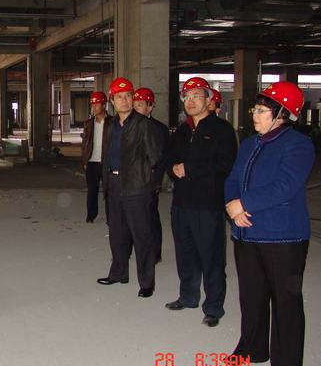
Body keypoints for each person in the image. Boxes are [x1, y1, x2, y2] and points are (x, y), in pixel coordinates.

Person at [225, 81, 313, 366]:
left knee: (286, 302)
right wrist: (232, 205)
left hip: (283, 237)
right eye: (255, 109)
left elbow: (285, 187)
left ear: (282, 115)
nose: (255, 115)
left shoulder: (298, 145)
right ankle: (253, 347)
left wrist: (244, 204)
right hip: (246, 232)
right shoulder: (250, 143)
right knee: (251, 295)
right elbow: (233, 178)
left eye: (262, 111)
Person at [165, 76, 237, 327]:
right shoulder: (182, 130)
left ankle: (214, 307)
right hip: (181, 203)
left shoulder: (222, 130)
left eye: (197, 96)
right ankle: (188, 296)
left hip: (208, 205)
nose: (191, 101)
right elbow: (169, 156)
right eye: (187, 96)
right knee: (185, 253)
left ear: (208, 100)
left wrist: (190, 168)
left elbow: (225, 163)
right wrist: (173, 168)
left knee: (212, 257)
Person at [97, 77, 161, 298]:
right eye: (119, 97)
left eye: (127, 96)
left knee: (141, 235)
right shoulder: (111, 125)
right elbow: (107, 154)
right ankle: (118, 273)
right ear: (112, 101)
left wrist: (140, 176)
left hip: (136, 187)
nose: (124, 100)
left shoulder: (143, 124)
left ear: (132, 99)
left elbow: (155, 156)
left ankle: (146, 282)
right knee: (117, 233)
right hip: (114, 184)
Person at [132, 87, 169, 263]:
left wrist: (156, 182)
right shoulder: (127, 126)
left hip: (149, 182)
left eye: (140, 104)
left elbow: (161, 158)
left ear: (150, 106)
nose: (136, 108)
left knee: (150, 217)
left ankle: (154, 253)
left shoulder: (159, 129)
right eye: (135, 105)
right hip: (131, 182)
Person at [80, 91, 112, 223]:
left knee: (109, 192)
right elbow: (85, 143)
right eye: (92, 104)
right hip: (92, 161)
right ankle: (91, 215)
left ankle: (111, 218)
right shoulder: (88, 123)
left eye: (97, 104)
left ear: (104, 105)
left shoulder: (112, 122)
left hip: (106, 162)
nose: (94, 107)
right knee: (92, 190)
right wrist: (85, 160)